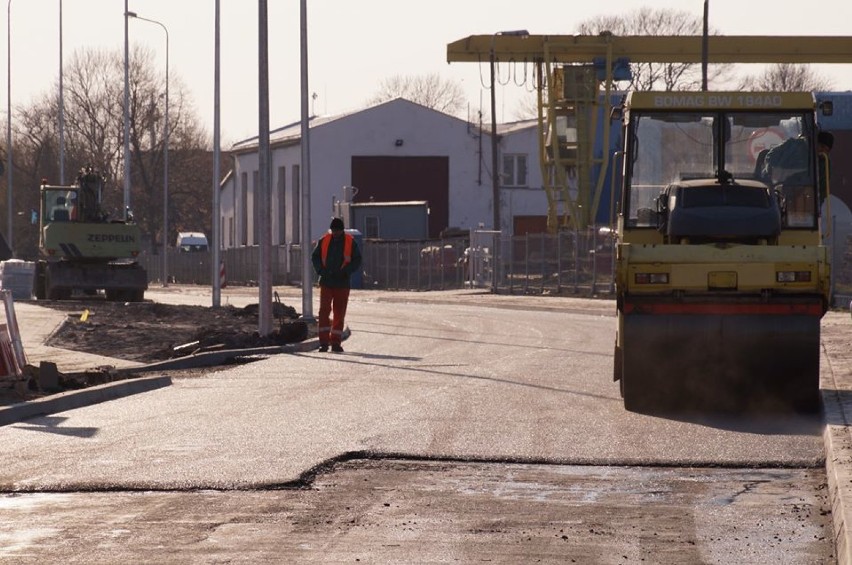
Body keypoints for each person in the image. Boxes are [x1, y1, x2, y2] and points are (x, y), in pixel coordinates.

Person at [311, 217, 362, 352]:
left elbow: (357, 259)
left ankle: (335, 342)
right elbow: (315, 256)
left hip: (342, 282)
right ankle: (323, 342)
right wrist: (321, 271)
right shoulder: (324, 241)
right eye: (333, 231)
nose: (335, 234)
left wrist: (346, 271)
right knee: (324, 312)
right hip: (327, 281)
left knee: (339, 313)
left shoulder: (350, 242)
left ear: (342, 230)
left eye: (337, 231)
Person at [817, 130, 834, 205]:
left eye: (827, 150)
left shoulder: (826, 164)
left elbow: (823, 188)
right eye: (822, 146)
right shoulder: (803, 153)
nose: (822, 151)